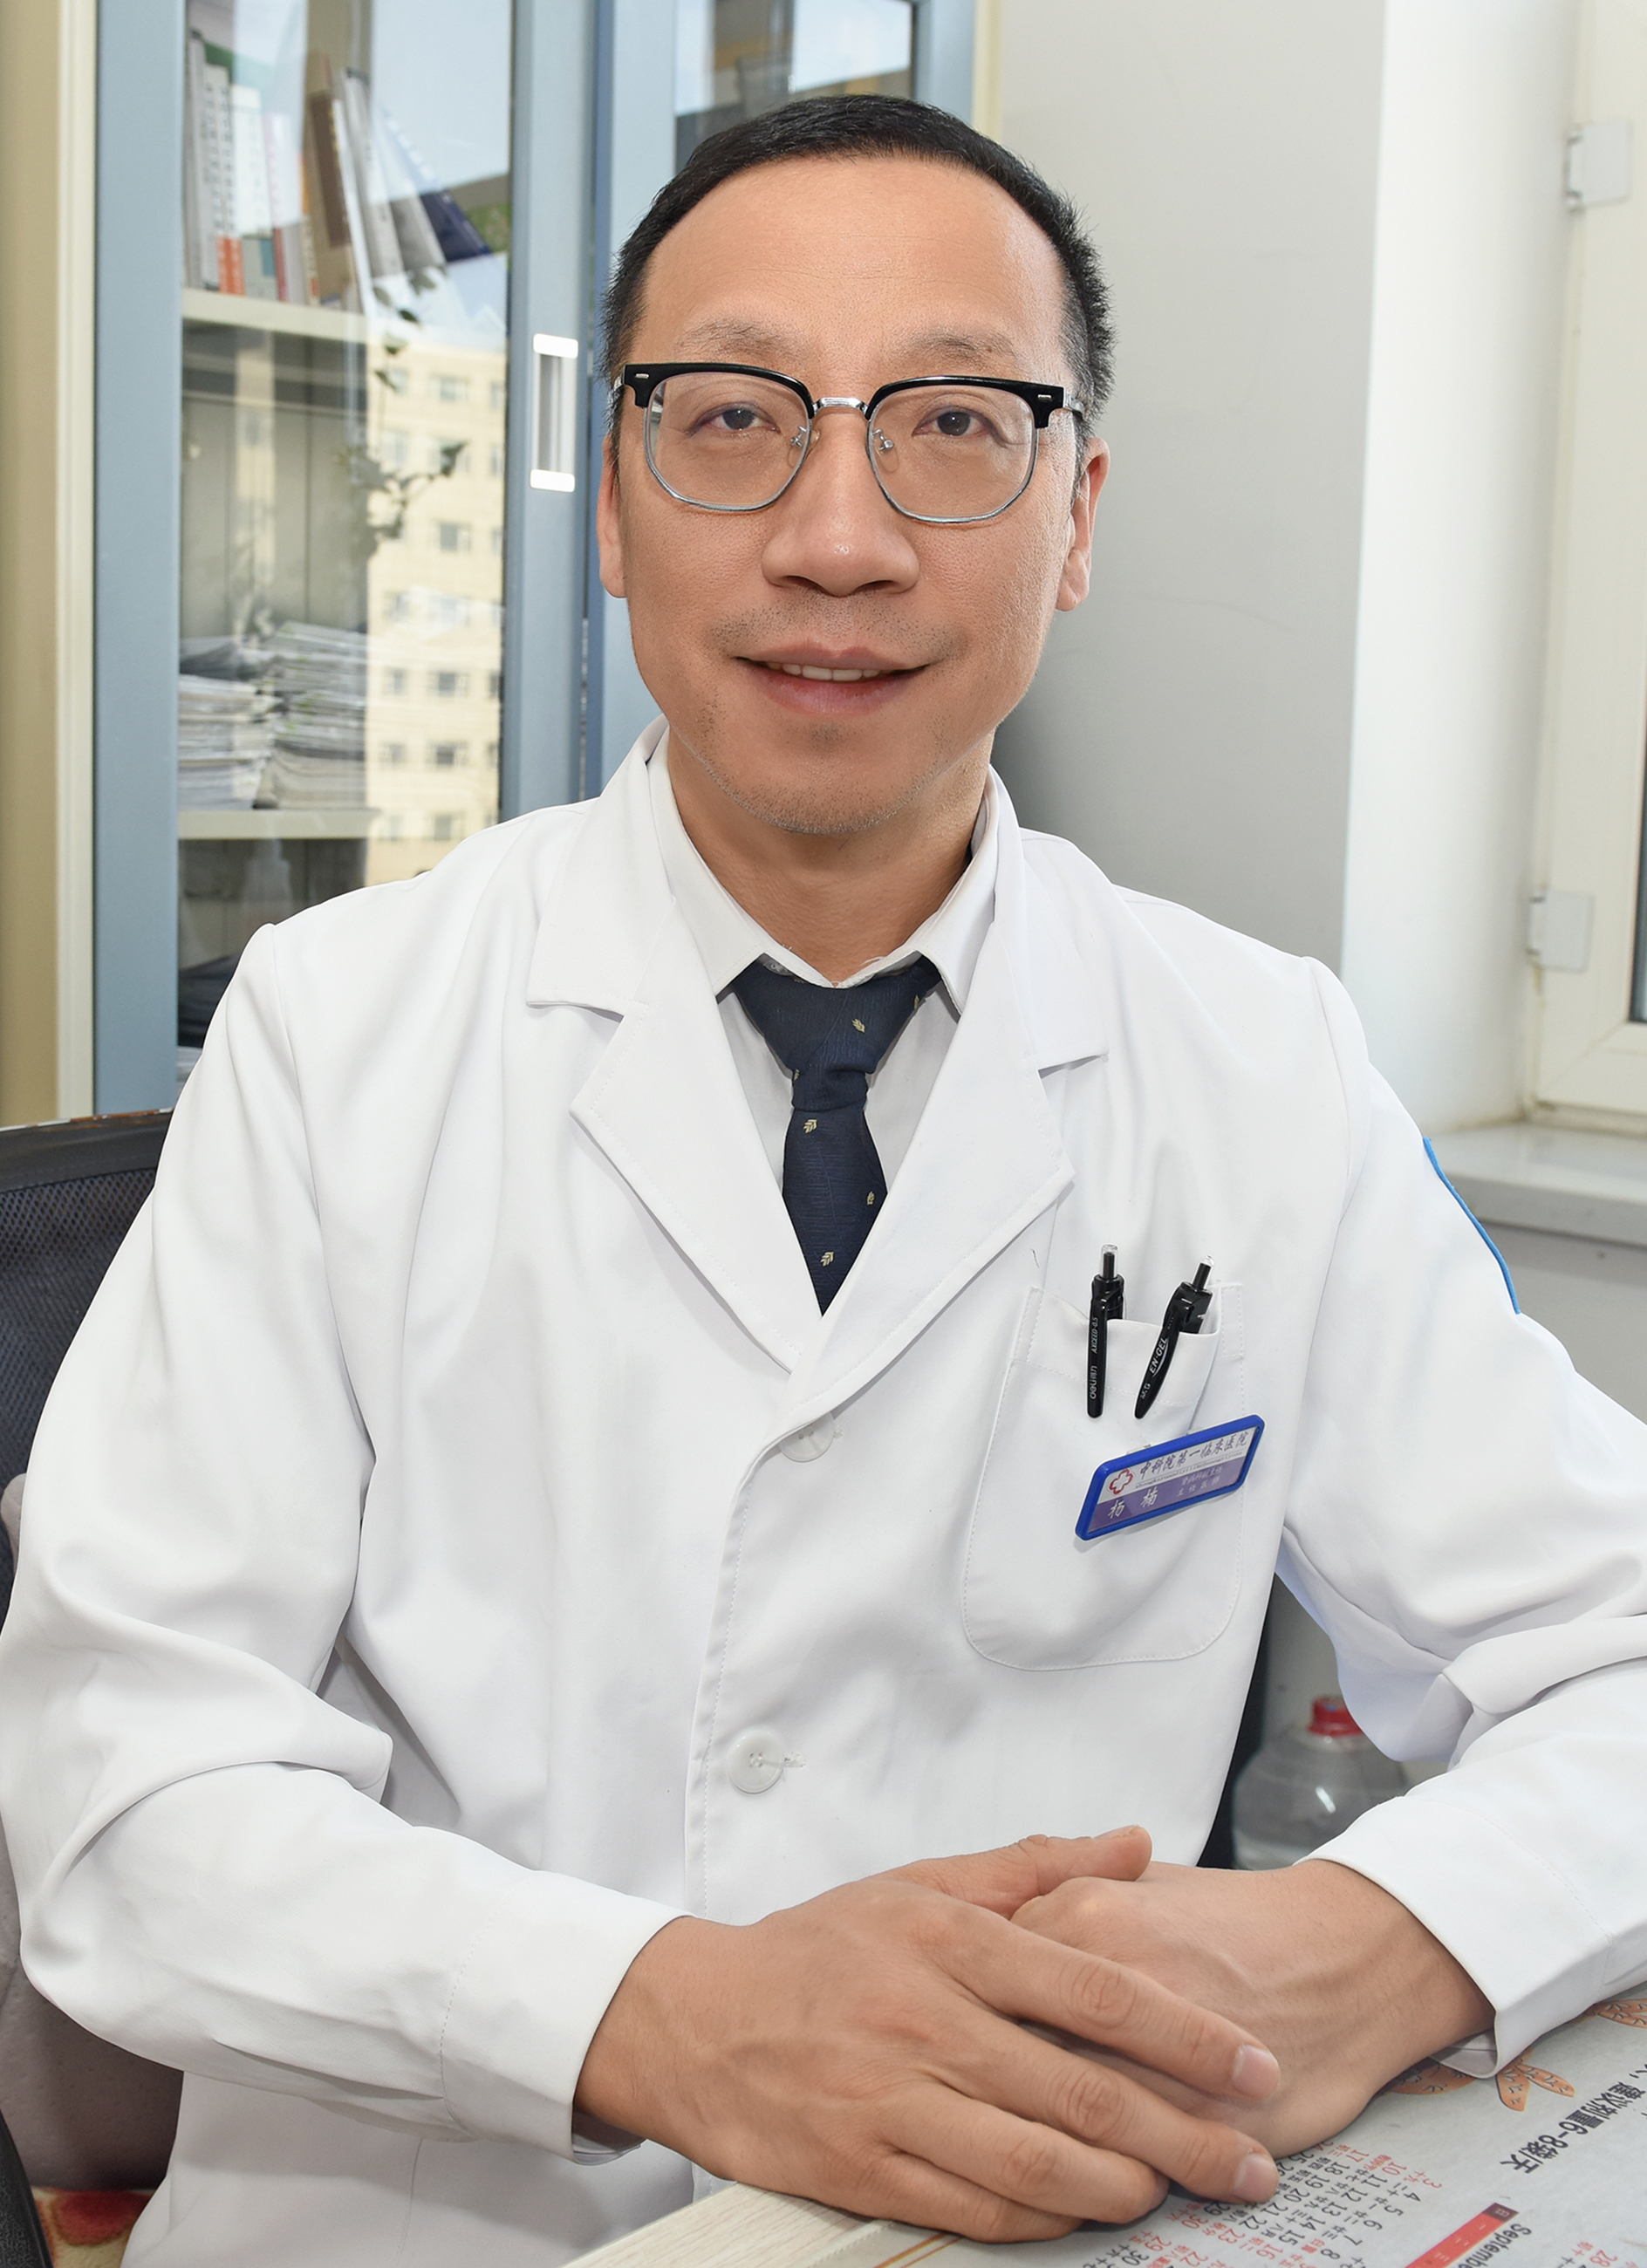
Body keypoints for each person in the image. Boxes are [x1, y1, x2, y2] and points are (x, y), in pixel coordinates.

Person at [2, 94, 1645, 2268]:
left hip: (1012, 2224)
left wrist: (1376, 1943)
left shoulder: (1256, 1063)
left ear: (1075, 514)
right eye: (731, 420)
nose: (839, 539)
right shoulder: (334, 1029)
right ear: (612, 498)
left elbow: (1617, 1644)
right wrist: (663, 2015)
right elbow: (124, 1794)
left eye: (953, 424)